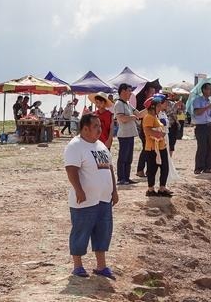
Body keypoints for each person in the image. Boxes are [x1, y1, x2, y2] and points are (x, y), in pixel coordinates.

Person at [64, 114, 118, 280]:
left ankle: (101, 266)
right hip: (85, 200)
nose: (99, 129)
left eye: (100, 126)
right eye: (96, 126)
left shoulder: (100, 145)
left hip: (103, 199)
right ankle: (78, 266)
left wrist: (114, 190)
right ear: (85, 128)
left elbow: (109, 169)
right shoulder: (75, 146)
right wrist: (78, 189)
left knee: (103, 232)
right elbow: (71, 170)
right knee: (81, 231)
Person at [114, 83, 146, 185]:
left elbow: (139, 114)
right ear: (123, 91)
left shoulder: (127, 104)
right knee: (123, 157)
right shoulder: (118, 104)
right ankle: (121, 178)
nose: (130, 93)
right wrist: (132, 117)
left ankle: (126, 178)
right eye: (129, 90)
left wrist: (150, 107)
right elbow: (121, 118)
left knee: (129, 158)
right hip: (123, 135)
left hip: (130, 134)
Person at [142, 94, 173, 197]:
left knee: (164, 167)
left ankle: (162, 187)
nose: (160, 108)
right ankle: (150, 189)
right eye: (158, 106)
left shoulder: (155, 117)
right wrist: (159, 134)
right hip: (152, 148)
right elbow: (147, 130)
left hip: (160, 146)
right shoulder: (149, 117)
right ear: (153, 106)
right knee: (152, 168)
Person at [193, 83, 211, 174]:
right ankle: (198, 167)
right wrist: (207, 107)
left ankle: (208, 167)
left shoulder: (209, 102)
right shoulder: (197, 100)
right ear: (204, 90)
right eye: (209, 89)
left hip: (209, 125)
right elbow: (197, 112)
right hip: (201, 126)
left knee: (209, 147)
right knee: (201, 147)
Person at [136, 86, 156, 178]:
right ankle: (140, 170)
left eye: (154, 93)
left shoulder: (153, 104)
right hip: (144, 129)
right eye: (151, 92)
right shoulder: (142, 103)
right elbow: (139, 115)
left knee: (151, 150)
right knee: (145, 149)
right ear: (146, 93)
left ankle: (149, 170)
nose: (153, 95)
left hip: (151, 129)